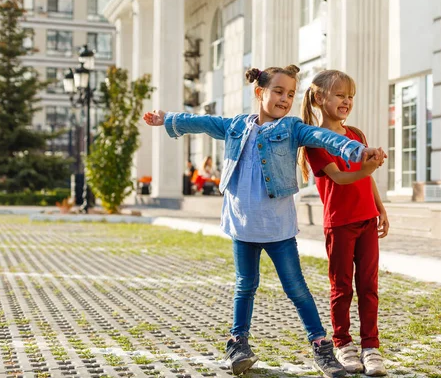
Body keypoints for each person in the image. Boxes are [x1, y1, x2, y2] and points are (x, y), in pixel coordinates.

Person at [143, 64, 385, 377]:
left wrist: (359, 150)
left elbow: (326, 138)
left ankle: (322, 348)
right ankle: (238, 344)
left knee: (297, 289)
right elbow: (203, 121)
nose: (285, 99)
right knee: (245, 286)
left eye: (291, 94)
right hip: (242, 226)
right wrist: (169, 118)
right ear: (260, 93)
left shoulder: (294, 128)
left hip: (278, 228)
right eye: (279, 92)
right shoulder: (235, 125)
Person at [299, 70, 389, 376]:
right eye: (340, 95)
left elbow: (367, 181)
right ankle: (343, 343)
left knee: (369, 286)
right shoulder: (314, 141)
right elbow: (341, 177)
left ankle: (371, 347)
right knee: (341, 288)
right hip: (339, 224)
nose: (347, 101)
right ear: (320, 98)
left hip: (367, 220)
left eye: (350, 96)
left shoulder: (358, 135)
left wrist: (380, 208)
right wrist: (369, 168)